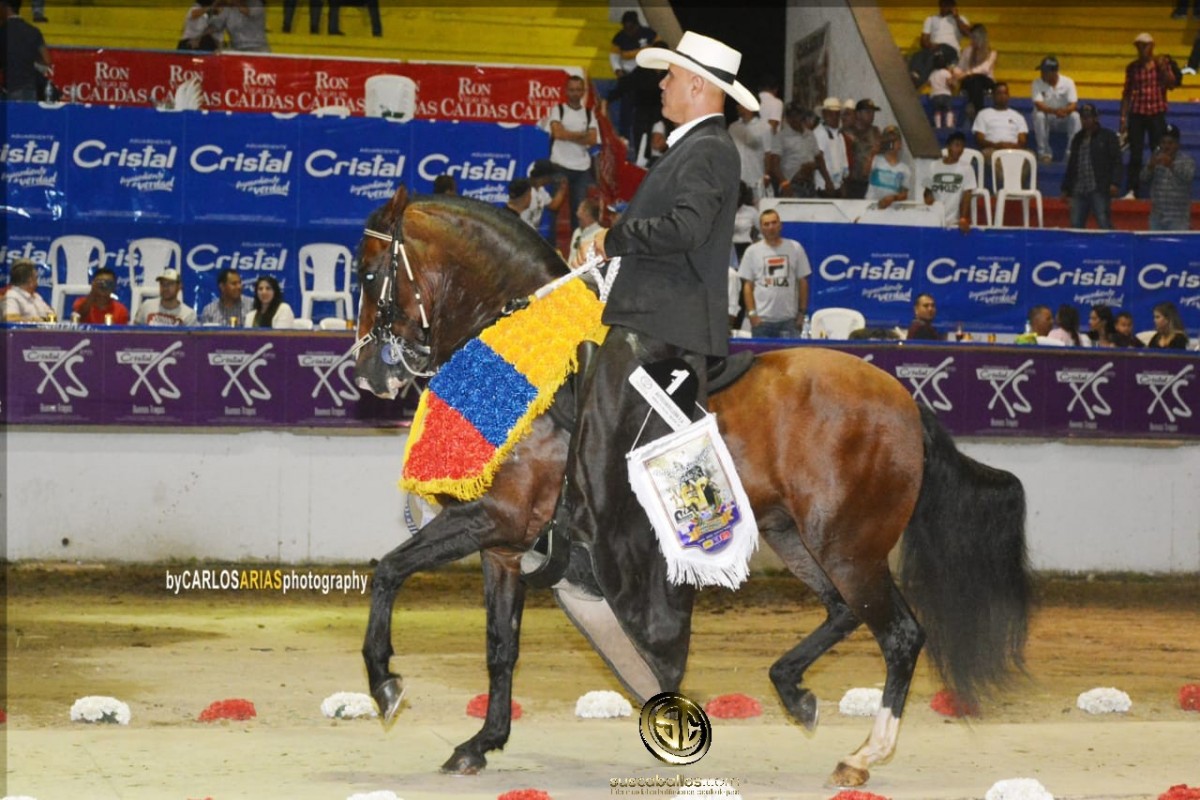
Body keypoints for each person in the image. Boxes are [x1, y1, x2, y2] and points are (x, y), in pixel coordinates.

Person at [523, 31, 758, 589]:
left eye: (671, 75)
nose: (662, 83)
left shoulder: (707, 149)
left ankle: (584, 545)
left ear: (699, 85)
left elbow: (685, 229)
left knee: (598, 421)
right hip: (655, 311)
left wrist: (612, 237)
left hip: (664, 322)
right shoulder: (697, 147)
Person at [737, 208, 811, 339]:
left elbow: (803, 282)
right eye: (766, 224)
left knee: (791, 359)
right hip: (762, 322)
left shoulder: (795, 248)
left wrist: (801, 313)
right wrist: (752, 314)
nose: (771, 227)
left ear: (780, 225)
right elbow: (748, 286)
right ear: (761, 227)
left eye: (774, 222)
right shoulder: (752, 252)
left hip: (789, 321)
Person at [1121, 33, 1177, 198]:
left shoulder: (1161, 65)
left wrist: (1164, 69)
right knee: (1136, 153)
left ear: (1152, 46)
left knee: (1158, 151)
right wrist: (1123, 118)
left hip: (1156, 113)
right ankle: (1132, 189)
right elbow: (1126, 93)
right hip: (1137, 113)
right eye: (1139, 45)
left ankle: (1160, 188)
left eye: (1145, 45)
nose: (1142, 48)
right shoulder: (1132, 68)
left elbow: (1172, 84)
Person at [543, 75, 598, 231]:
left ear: (583, 91)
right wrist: (581, 135)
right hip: (559, 165)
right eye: (572, 90)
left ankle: (577, 245)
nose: (575, 93)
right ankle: (551, 246)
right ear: (566, 91)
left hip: (582, 168)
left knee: (579, 211)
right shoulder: (558, 110)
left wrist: (568, 134)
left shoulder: (589, 114)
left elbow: (593, 139)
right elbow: (557, 133)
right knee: (554, 208)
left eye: (578, 90)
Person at [1062, 103, 1122, 230]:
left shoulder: (1108, 136)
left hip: (1099, 187)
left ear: (1096, 118)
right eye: (1083, 117)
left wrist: (1115, 182)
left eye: (1088, 117)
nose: (1085, 120)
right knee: (1075, 224)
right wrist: (1066, 188)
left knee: (1103, 221)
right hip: (1079, 188)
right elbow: (1072, 165)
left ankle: (1110, 246)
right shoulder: (1077, 139)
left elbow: (1117, 161)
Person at [608, 11, 660, 151]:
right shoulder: (619, 37)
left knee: (645, 112)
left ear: (637, 25)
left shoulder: (649, 34)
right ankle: (624, 139)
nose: (628, 30)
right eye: (625, 27)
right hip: (628, 76)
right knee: (626, 109)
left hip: (646, 76)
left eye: (631, 27)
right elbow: (613, 56)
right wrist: (618, 71)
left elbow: (660, 48)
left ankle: (647, 143)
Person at [1142, 124, 1195, 231]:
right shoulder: (1154, 158)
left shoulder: (1187, 161)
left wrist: (1171, 165)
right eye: (1163, 143)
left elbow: (1188, 177)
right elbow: (1143, 179)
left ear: (1177, 144)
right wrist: (1150, 167)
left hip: (1178, 219)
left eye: (1170, 143)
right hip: (1157, 217)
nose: (1166, 146)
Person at [972, 82, 1028, 182]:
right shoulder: (983, 114)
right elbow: (979, 139)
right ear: (993, 96)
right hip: (992, 149)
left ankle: (1016, 186)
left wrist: (1009, 146)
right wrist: (998, 145)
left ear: (1008, 96)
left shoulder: (1018, 116)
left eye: (1005, 93)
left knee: (1029, 156)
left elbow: (1022, 140)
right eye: (999, 93)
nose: (1002, 96)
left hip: (1013, 149)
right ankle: (1006, 186)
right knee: (988, 155)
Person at [908, 0, 971, 89]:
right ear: (941, 5)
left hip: (950, 51)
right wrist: (931, 45)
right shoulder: (931, 19)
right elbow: (924, 41)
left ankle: (917, 82)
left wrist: (956, 17)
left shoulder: (961, 19)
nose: (949, 8)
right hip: (933, 48)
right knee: (916, 55)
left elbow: (968, 33)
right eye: (946, 5)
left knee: (934, 56)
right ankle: (914, 76)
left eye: (951, 5)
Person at [1030, 56, 1081, 164]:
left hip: (1063, 117)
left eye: (1045, 71)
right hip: (1048, 117)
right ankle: (1044, 153)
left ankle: (1071, 153)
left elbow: (1073, 104)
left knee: (1075, 116)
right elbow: (1039, 104)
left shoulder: (1068, 82)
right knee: (1039, 115)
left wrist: (1064, 111)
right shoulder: (1037, 83)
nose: (1042, 74)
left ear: (1054, 72)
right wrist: (1055, 111)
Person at [923, 130, 976, 232]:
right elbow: (927, 192)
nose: (959, 149)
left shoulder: (967, 169)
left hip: (953, 223)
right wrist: (931, 204)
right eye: (956, 145)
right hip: (933, 220)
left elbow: (967, 196)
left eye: (962, 146)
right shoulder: (933, 166)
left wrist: (963, 218)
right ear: (948, 146)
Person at [1, 0, 52, 102]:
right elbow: (47, 61)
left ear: (6, 8)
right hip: (30, 89)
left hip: (10, 89)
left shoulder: (2, 31)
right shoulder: (33, 31)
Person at [771, 102, 822, 198]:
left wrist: (813, 166)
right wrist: (785, 184)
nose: (794, 118)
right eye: (791, 116)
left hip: (809, 183)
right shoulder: (781, 136)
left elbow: (819, 158)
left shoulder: (810, 135)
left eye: (797, 115)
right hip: (792, 184)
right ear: (787, 118)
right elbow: (774, 165)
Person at [728, 104, 773, 203]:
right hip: (737, 180)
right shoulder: (733, 127)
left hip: (756, 179)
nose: (737, 107)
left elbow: (768, 153)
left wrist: (767, 175)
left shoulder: (764, 127)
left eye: (740, 105)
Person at [955, 23, 997, 123]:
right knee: (973, 80)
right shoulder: (967, 51)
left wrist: (967, 73)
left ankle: (973, 107)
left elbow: (985, 69)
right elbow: (960, 68)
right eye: (971, 37)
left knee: (976, 79)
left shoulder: (991, 52)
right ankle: (978, 112)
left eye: (974, 37)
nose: (972, 40)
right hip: (970, 81)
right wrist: (954, 74)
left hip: (986, 81)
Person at [865, 125, 911, 209]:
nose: (891, 143)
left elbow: (904, 194)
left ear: (900, 144)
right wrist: (872, 153)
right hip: (872, 207)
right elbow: (864, 174)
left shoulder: (904, 169)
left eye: (894, 140)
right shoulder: (875, 160)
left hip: (893, 211)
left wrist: (893, 198)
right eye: (888, 140)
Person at [844, 99, 882, 200]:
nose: (872, 115)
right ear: (858, 114)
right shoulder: (846, 132)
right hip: (851, 183)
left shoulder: (875, 132)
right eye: (868, 112)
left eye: (873, 113)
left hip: (871, 183)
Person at [521, 160, 568, 241]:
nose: (552, 179)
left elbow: (553, 206)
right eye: (551, 176)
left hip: (532, 234)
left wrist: (562, 189)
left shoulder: (541, 190)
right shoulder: (526, 192)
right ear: (544, 177)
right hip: (523, 234)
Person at [814, 96, 849, 197]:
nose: (835, 117)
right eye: (831, 114)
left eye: (837, 114)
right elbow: (818, 158)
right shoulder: (820, 132)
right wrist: (828, 181)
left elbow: (842, 160)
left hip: (837, 185)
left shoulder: (839, 135)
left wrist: (842, 183)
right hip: (825, 186)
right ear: (824, 114)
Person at [567, 196, 601, 263]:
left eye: (579, 210)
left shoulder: (600, 234)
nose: (577, 214)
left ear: (587, 214)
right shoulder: (577, 232)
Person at [929, 50, 958, 129]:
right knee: (949, 110)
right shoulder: (945, 72)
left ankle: (938, 126)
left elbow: (929, 83)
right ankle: (949, 125)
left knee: (937, 111)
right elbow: (950, 83)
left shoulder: (932, 74)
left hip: (935, 95)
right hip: (945, 94)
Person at [731, 181, 758, 261]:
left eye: (739, 193)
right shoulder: (723, 212)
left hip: (745, 246)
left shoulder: (751, 211)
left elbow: (762, 231)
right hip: (726, 247)